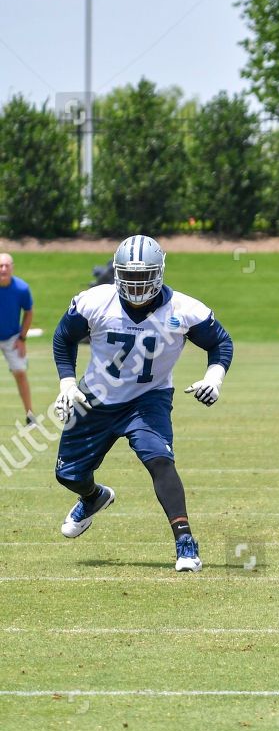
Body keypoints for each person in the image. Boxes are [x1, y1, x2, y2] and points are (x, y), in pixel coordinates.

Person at [51, 235, 233, 571]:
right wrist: (67, 382)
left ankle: (185, 543)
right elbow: (63, 337)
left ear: (160, 271)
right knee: (68, 475)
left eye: (143, 275)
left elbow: (220, 343)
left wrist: (214, 378)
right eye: (129, 276)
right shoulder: (95, 301)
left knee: (160, 459)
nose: (136, 284)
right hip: (96, 397)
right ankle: (94, 497)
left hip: (149, 398)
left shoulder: (184, 310)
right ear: (117, 273)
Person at [0, 253, 36, 425]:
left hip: (12, 337)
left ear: (12, 267)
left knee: (20, 373)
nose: (4, 269)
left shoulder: (21, 288)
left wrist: (22, 338)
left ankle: (30, 416)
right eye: (0, 266)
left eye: (7, 265)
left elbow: (29, 312)